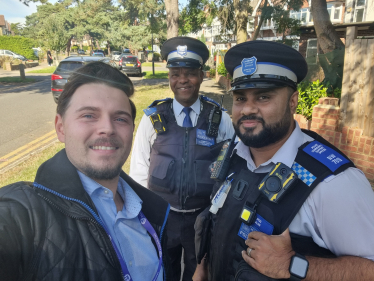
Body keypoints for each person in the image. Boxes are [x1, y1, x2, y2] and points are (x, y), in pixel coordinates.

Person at [193, 41, 374, 281]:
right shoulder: (233, 155)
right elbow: (219, 224)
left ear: (293, 101)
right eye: (240, 98)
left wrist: (293, 265)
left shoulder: (333, 184)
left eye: (263, 97)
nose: (247, 109)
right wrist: (202, 269)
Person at [0, 61, 170, 281]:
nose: (107, 128)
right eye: (89, 115)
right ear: (61, 128)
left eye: (120, 118)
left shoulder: (153, 211)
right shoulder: (23, 214)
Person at [130, 36, 234, 281]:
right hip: (162, 216)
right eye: (175, 73)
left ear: (201, 75)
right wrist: (142, 215)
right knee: (163, 268)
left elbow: (230, 168)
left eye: (189, 73)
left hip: (202, 217)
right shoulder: (153, 118)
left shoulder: (218, 119)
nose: (182, 80)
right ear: (169, 77)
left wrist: (215, 213)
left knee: (197, 271)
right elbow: (139, 168)